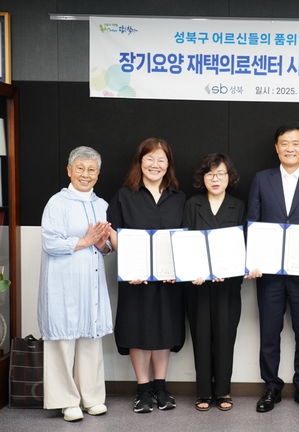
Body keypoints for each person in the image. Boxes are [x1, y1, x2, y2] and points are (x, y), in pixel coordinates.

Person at [246, 122, 299, 414]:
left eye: (296, 143)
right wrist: (252, 260)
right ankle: (271, 386)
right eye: (285, 143)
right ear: (276, 148)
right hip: (269, 273)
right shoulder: (261, 179)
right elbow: (253, 221)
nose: (290, 148)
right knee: (270, 332)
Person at [107, 137, 187, 414]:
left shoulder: (178, 197)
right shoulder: (124, 195)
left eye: (161, 159)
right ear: (139, 162)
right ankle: (143, 389)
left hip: (168, 279)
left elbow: (184, 238)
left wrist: (178, 270)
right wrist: (131, 264)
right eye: (149, 158)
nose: (155, 164)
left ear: (168, 164)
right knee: (137, 330)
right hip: (135, 278)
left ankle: (161, 387)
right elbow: (113, 231)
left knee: (164, 330)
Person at [38, 146, 112, 422]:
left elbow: (104, 248)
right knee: (63, 341)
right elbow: (50, 242)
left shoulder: (101, 204)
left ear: (98, 174)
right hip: (63, 284)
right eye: (80, 168)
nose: (85, 174)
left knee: (90, 339)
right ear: (69, 170)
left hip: (91, 283)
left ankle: (92, 398)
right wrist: (85, 240)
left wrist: (101, 244)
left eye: (91, 170)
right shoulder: (57, 203)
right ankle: (66, 401)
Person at [184, 153, 245, 412]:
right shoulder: (192, 204)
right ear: (203, 178)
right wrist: (192, 271)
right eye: (210, 174)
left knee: (225, 336)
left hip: (228, 285)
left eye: (221, 173)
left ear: (229, 177)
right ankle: (203, 392)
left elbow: (244, 245)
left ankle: (223, 390)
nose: (215, 179)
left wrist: (230, 270)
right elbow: (185, 242)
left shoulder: (238, 206)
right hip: (198, 285)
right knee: (201, 337)